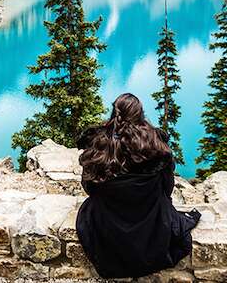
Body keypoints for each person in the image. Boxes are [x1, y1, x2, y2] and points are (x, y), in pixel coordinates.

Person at [75, 93, 200, 279]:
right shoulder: (156, 144)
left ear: (114, 112)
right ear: (140, 114)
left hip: (107, 223)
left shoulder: (99, 143)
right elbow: (167, 187)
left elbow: (89, 188)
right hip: (152, 222)